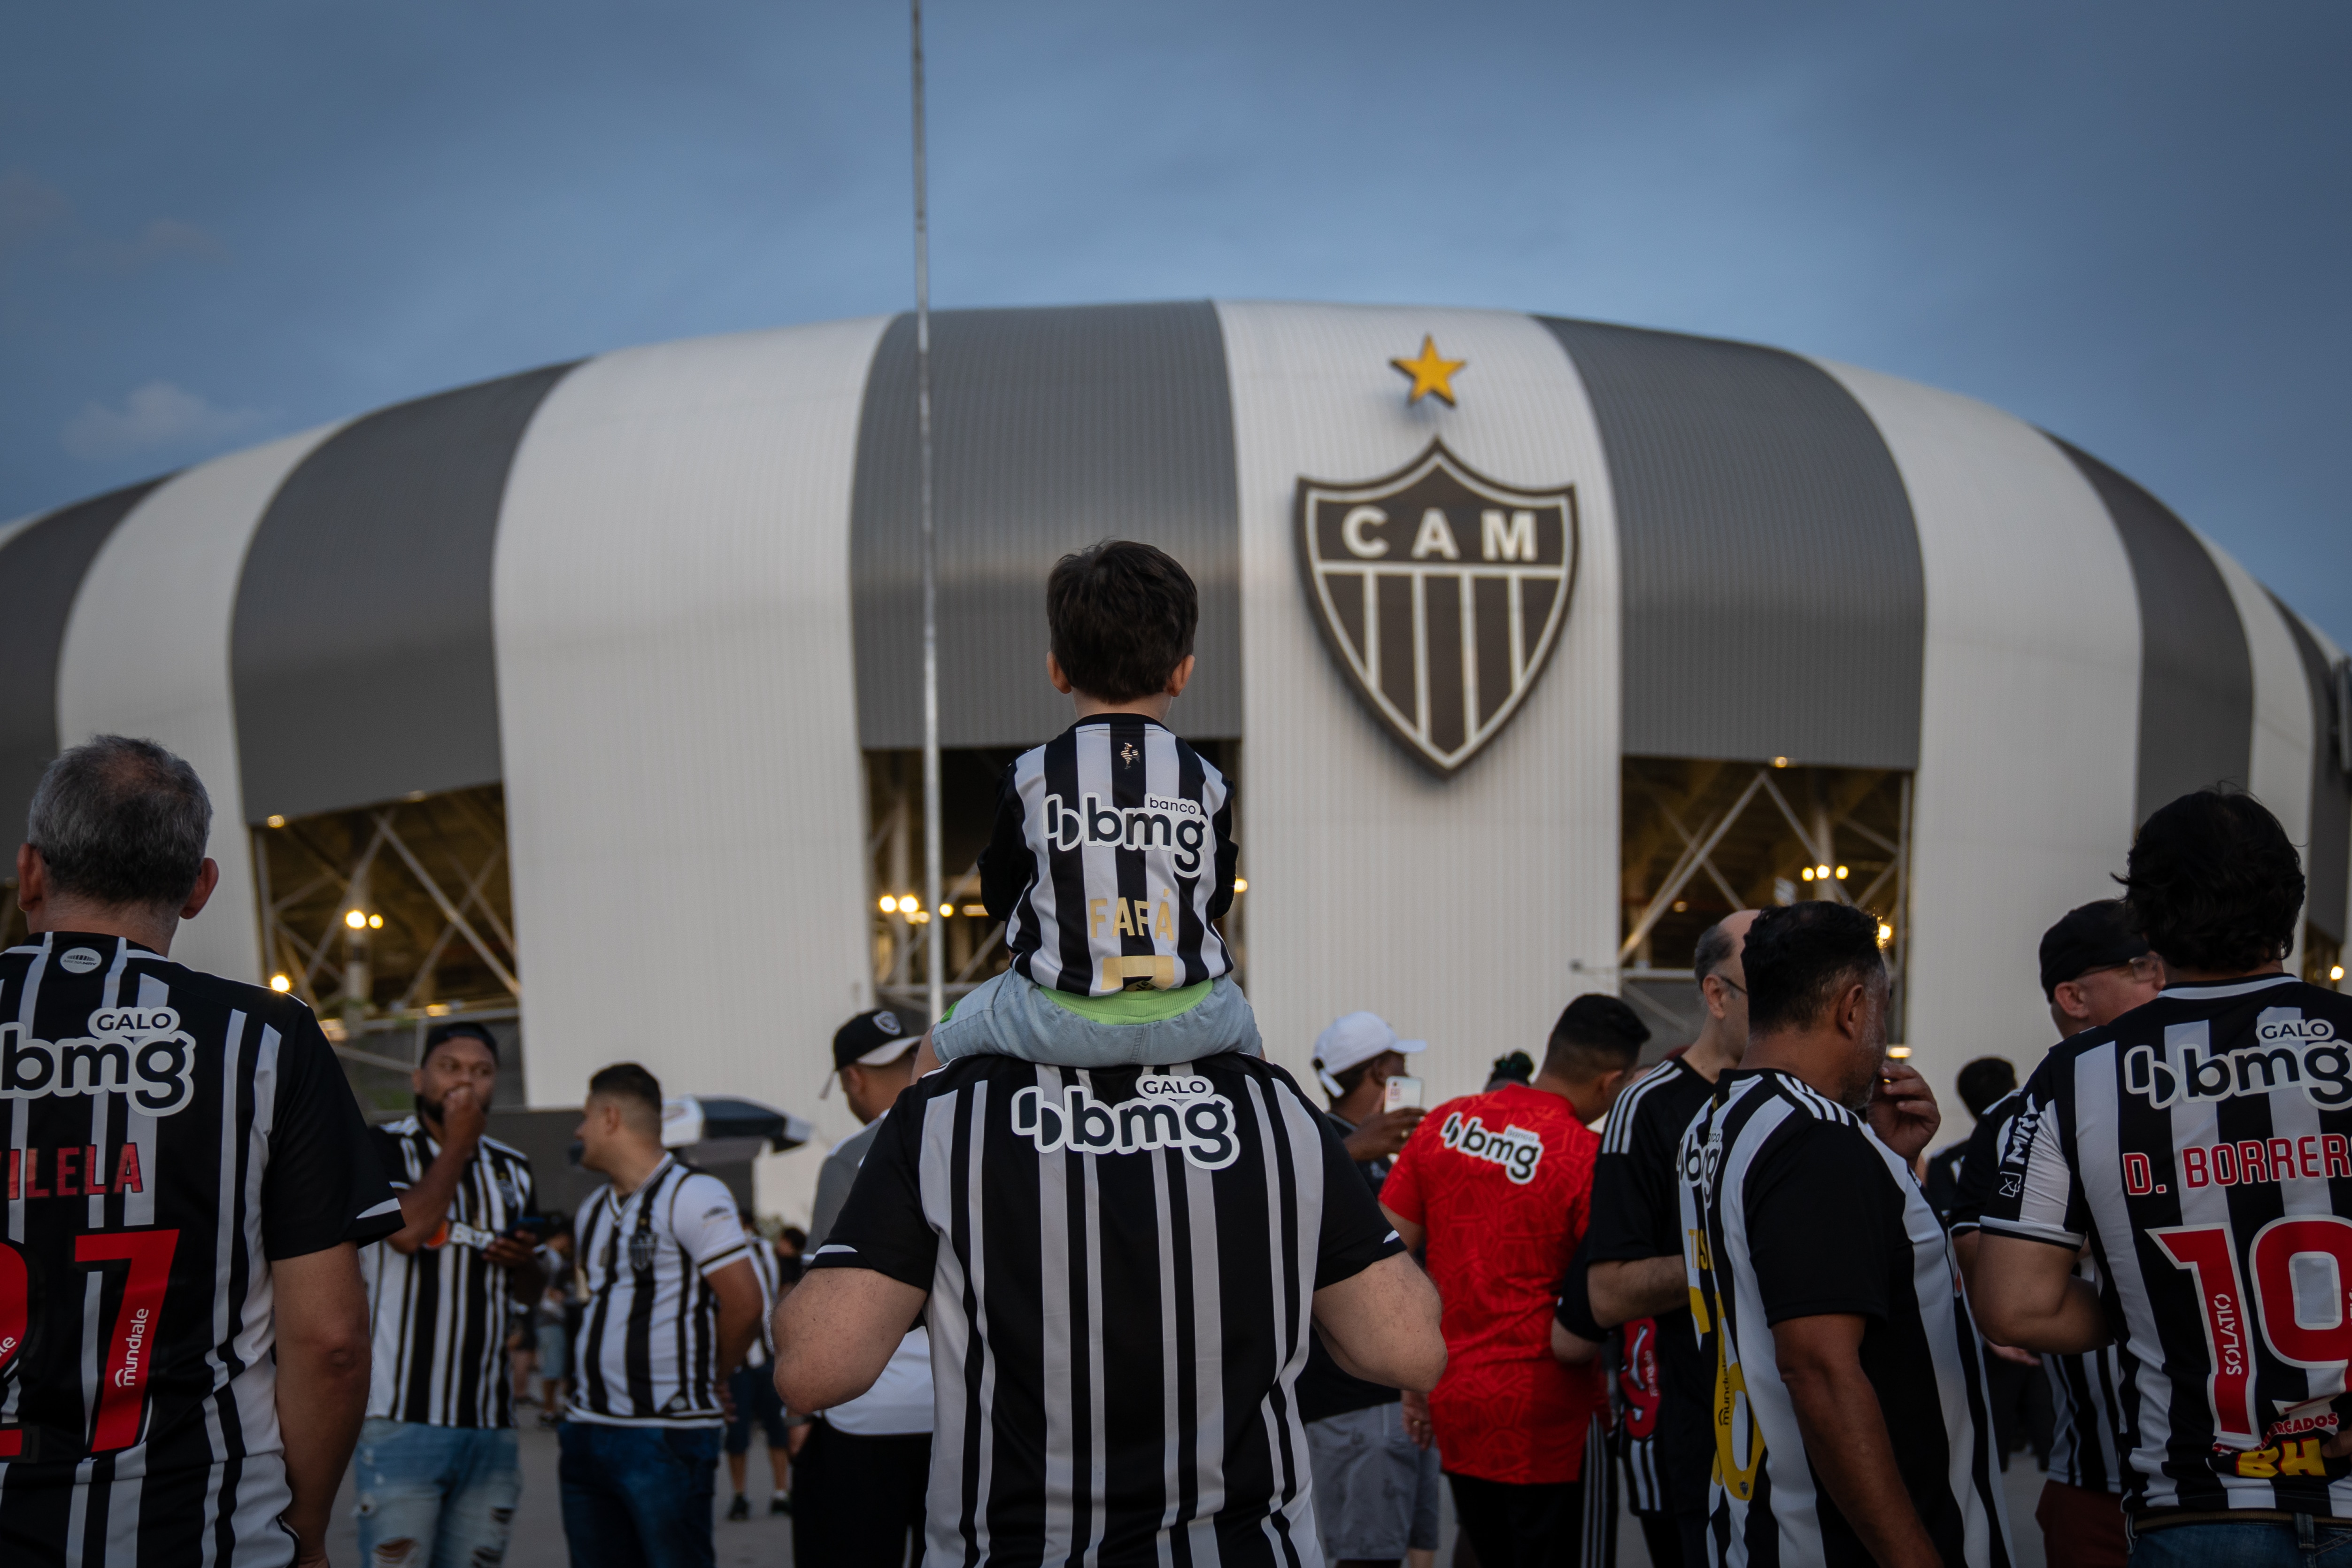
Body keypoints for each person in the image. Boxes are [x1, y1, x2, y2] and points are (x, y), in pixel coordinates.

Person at [773, 1043, 1446, 1562]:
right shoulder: (1275, 1109)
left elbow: (816, 1366)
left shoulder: (944, 1114)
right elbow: (1409, 1348)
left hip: (1017, 1546)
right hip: (1241, 1544)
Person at [0, 734, 400, 1566]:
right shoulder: (267, 1039)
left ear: (31, 871)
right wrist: (310, 1528)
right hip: (203, 1524)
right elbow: (331, 1340)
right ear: (198, 887)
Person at [1976, 789, 2352, 1565]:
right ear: (2289, 899)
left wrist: (2147, 1301)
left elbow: (2012, 1304)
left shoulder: (2076, 1076)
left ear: (2145, 918)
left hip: (2195, 1502)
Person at [1678, 900, 2009, 1567]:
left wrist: (1886, 1161)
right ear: (1853, 1007)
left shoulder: (1714, 1122)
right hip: (1835, 1543)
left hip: (1757, 1522)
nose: (1880, 1035)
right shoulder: (1814, 1142)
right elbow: (1820, 1369)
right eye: (1881, 1013)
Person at [930, 539, 1258, 1069]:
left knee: (931, 1049)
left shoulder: (1030, 776)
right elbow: (1215, 898)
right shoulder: (1208, 781)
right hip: (1196, 1016)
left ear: (1057, 670)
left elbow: (1000, 894)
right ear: (1182, 672)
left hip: (1060, 1018)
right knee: (1262, 1069)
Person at [1381, 993, 1650, 1568]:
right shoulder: (1588, 1157)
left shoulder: (1443, 1124)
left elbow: (1383, 1257)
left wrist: (1413, 1375)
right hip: (1549, 1419)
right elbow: (1605, 1292)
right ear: (1610, 1083)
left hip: (1456, 1399)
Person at [1946, 899, 2162, 1568]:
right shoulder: (2015, 1118)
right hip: (2096, 1481)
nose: (2162, 979)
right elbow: (1992, 1275)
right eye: (2140, 966)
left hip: (2257, 1472)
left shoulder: (2211, 1088)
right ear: (2073, 995)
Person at [1582, 910, 1758, 1567]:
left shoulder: (1817, 1098)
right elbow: (1607, 1291)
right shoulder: (1649, 1103)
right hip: (1695, 1433)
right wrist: (1735, 1254)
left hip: (1810, 1433)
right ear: (1717, 995)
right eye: (1770, 985)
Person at [355, 1020, 547, 1568]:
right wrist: (460, 1145)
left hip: (491, 1425)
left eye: (482, 1072)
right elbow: (408, 1232)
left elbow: (531, 1291)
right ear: (419, 1080)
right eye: (450, 1069)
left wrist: (525, 1262)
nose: (466, 1083)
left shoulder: (512, 1168)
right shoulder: (382, 1144)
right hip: (401, 1420)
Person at [560, 1063, 764, 1568]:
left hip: (664, 1435)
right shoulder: (590, 1210)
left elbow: (746, 1304)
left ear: (610, 1118)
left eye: (585, 1117)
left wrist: (713, 1375)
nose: (578, 1131)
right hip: (587, 1427)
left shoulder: (694, 1194)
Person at [792, 1009, 937, 1567]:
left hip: (866, 1412)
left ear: (851, 1078)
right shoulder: (982, 1133)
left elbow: (823, 1310)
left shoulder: (849, 1157)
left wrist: (798, 1418)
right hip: (961, 1415)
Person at [1297, 1012, 1440, 1568]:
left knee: (1413, 1544)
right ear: (1380, 1072)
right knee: (1367, 1556)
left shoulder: (1374, 1155)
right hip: (1352, 1402)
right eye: (1400, 1065)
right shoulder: (1319, 1144)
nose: (1408, 1075)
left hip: (1395, 1395)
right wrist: (1351, 1153)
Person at [725, 1210, 792, 1521]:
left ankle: (781, 1492)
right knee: (737, 1434)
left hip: (766, 1354)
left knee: (777, 1427)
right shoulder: (720, 1255)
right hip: (738, 1359)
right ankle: (740, 1494)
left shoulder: (763, 1249)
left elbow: (775, 1294)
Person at [535, 1217, 577, 1429]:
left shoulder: (554, 1256)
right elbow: (535, 1283)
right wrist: (552, 1295)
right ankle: (548, 1409)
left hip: (556, 1315)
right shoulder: (544, 1255)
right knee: (552, 1363)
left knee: (558, 1363)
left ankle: (553, 1407)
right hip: (548, 1315)